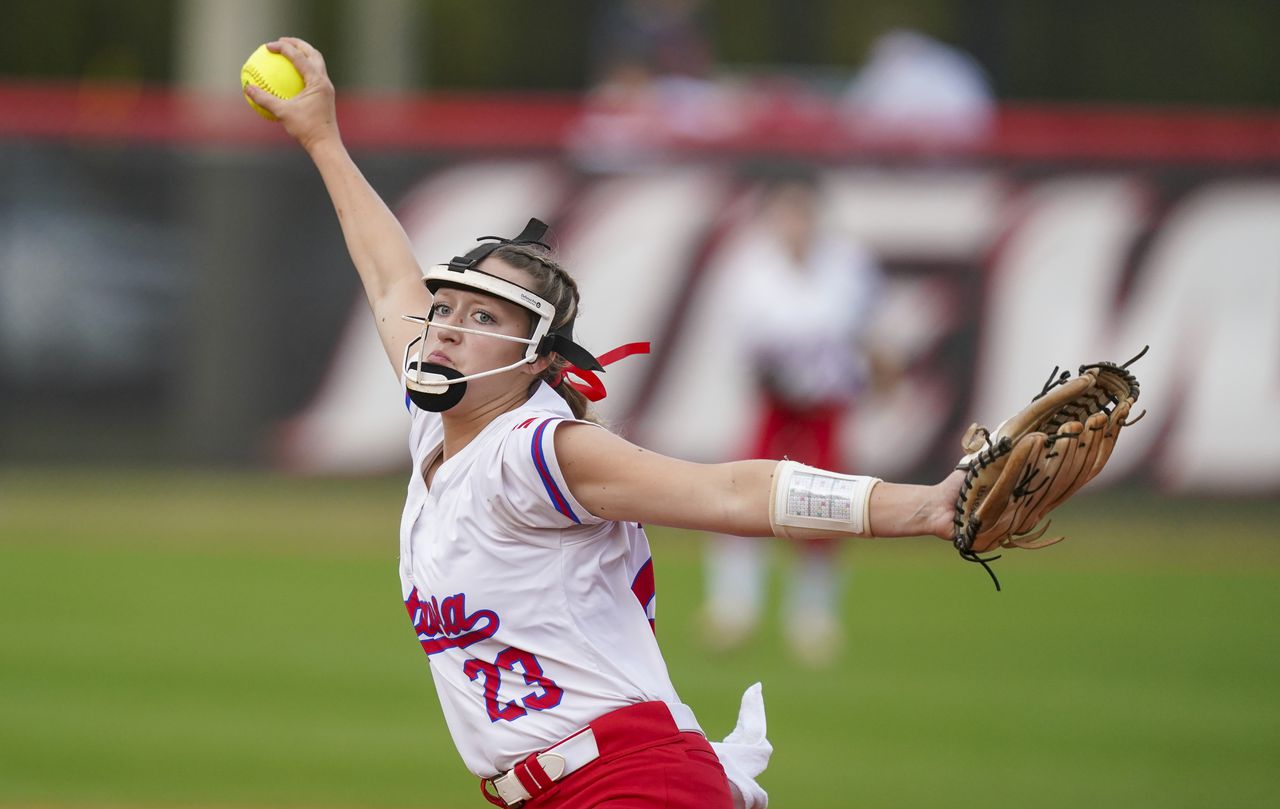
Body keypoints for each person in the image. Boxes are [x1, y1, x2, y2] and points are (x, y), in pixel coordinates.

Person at [245, 37, 964, 809]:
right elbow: (390, 274)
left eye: (483, 315)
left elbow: (727, 492)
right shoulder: (436, 428)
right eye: (446, 305)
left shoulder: (539, 448)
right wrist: (321, 136)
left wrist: (917, 507)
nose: (447, 323)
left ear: (532, 361)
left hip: (630, 782)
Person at [702, 170, 890, 667]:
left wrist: (879, 374)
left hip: (829, 401)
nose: (796, 224)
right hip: (775, 399)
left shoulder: (848, 265)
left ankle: (813, 614)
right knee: (744, 493)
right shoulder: (750, 267)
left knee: (830, 504)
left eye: (803, 212)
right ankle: (732, 606)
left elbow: (869, 332)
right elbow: (754, 342)